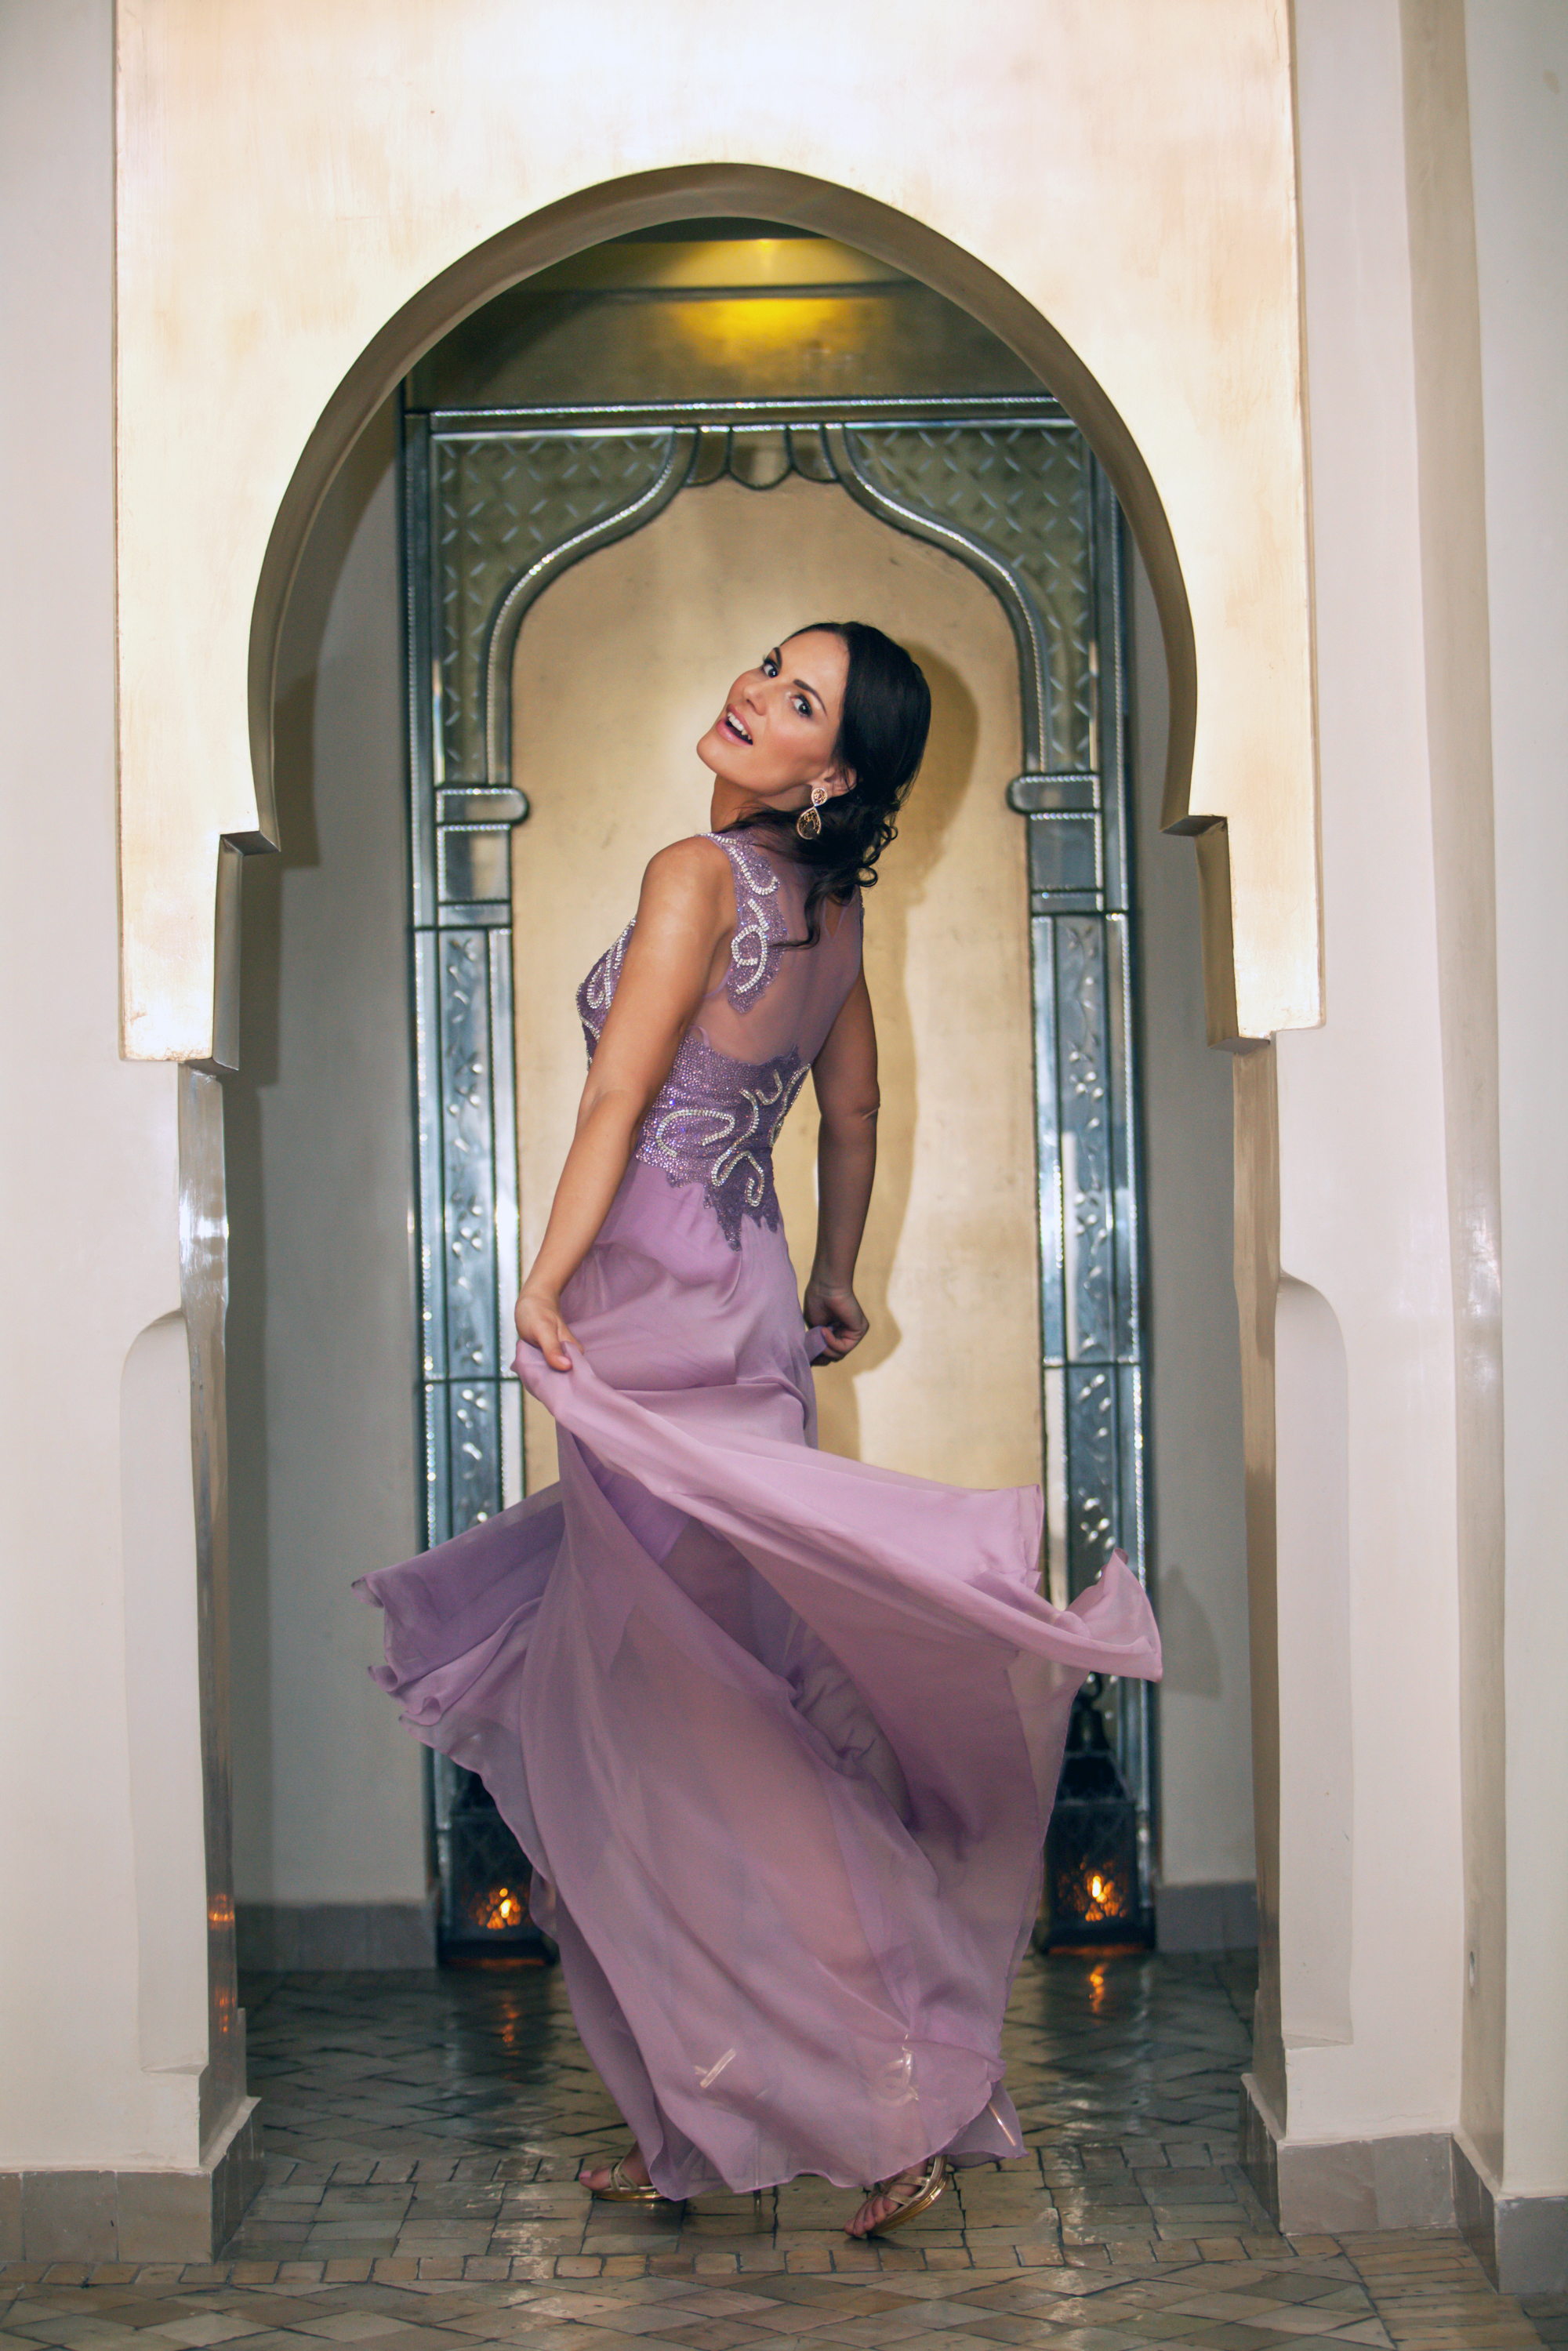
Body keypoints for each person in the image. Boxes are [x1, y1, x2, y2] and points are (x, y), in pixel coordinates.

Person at [358, 623, 1161, 2240]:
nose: (752, 695)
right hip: (742, 1310)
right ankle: (696, 2126)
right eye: (768, 668)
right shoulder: (833, 914)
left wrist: (545, 1275)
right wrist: (835, 1275)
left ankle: (879, 2092)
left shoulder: (695, 875)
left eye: (799, 701)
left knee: (683, 1727)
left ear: (834, 771)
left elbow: (615, 1100)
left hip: (646, 1311)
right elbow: (850, 1108)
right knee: (677, 1705)